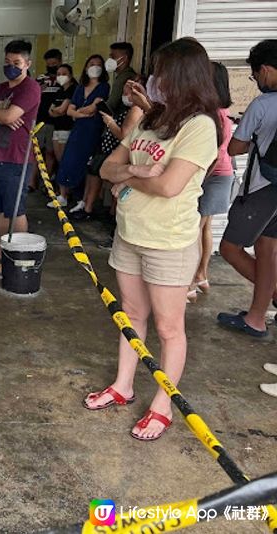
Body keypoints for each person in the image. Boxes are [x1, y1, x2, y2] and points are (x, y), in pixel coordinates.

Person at [83, 38, 220, 442]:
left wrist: (136, 177)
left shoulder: (200, 126)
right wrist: (140, 173)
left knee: (169, 327)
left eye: (160, 73)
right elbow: (108, 168)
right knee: (131, 315)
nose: (153, 80)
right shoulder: (149, 120)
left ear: (180, 77)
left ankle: (164, 403)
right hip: (130, 234)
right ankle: (123, 385)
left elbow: (170, 187)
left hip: (168, 241)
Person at [217, 39, 277, 338]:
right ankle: (257, 316)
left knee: (229, 247)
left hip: (263, 188)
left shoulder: (263, 104)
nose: (257, 82)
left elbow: (234, 147)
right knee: (267, 250)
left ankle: (265, 306)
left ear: (265, 69)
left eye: (256, 76)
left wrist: (250, 132)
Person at [0, 40, 41, 274]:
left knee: (14, 211)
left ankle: (16, 257)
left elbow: (12, 114)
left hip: (16, 159)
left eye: (16, 63)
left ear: (27, 63)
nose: (11, 66)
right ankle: (2, 249)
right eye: (7, 62)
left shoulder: (30, 88)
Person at [71, 76, 146, 221]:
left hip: (118, 149)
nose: (127, 90)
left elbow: (124, 135)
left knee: (109, 179)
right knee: (96, 173)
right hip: (108, 146)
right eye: (126, 86)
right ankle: (97, 209)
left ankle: (106, 214)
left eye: (132, 88)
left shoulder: (136, 109)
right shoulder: (124, 106)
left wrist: (110, 123)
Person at [189, 62, 235, 300]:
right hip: (219, 176)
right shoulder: (220, 114)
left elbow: (215, 156)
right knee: (204, 226)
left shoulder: (214, 116)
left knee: (194, 229)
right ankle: (201, 276)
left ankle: (189, 283)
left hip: (213, 176)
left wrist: (196, 181)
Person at [50, 55, 110, 209]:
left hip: (93, 130)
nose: (94, 67)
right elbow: (71, 111)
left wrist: (80, 112)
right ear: (85, 67)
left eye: (98, 64)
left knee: (85, 165)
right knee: (67, 160)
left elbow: (92, 109)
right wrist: (82, 113)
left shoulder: (104, 87)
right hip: (78, 130)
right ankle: (62, 195)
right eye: (91, 64)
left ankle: (81, 200)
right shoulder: (80, 88)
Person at [31, 49, 63, 191]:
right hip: (39, 120)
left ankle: (47, 183)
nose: (51, 66)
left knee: (50, 153)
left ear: (60, 62)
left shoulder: (63, 78)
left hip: (55, 121)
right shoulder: (40, 79)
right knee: (35, 152)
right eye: (49, 64)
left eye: (54, 64)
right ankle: (32, 182)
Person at [48, 64, 77, 167]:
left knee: (66, 160)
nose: (61, 76)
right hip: (57, 128)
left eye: (64, 74)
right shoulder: (60, 91)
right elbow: (50, 111)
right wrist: (57, 111)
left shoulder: (74, 89)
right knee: (59, 160)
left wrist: (56, 110)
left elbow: (62, 110)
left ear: (71, 75)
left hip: (67, 128)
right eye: (59, 74)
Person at [105, 42, 137, 114]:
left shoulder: (123, 78)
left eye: (113, 57)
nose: (109, 60)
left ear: (124, 58)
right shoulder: (127, 74)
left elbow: (111, 105)